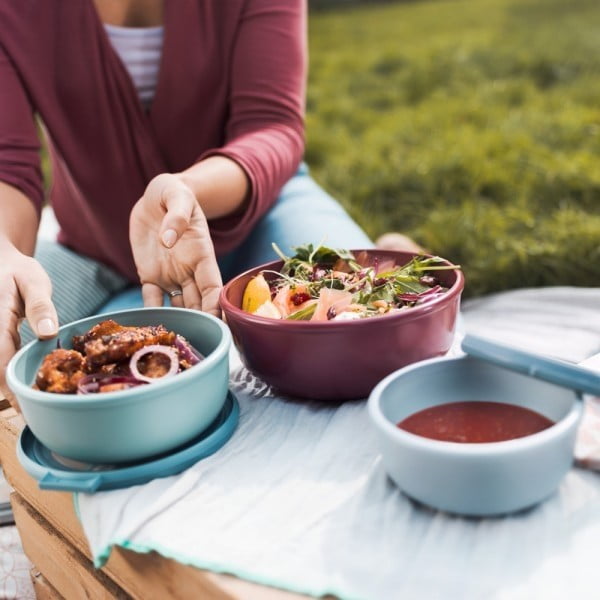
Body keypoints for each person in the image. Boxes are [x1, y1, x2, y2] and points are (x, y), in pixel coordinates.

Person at [0, 0, 418, 409]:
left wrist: (185, 189)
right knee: (23, 350)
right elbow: (10, 166)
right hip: (98, 250)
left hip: (260, 208)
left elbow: (272, 125)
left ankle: (389, 248)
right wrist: (4, 251)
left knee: (364, 327)